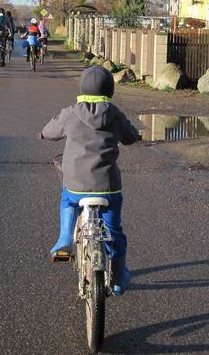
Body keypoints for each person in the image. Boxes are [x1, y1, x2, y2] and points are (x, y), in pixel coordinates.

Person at [39, 66, 140, 296]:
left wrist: (44, 133)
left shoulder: (71, 112)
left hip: (76, 184)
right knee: (115, 233)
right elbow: (130, 137)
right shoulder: (115, 114)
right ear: (110, 89)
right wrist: (135, 135)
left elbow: (50, 130)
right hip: (108, 188)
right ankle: (118, 278)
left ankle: (65, 236)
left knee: (68, 201)